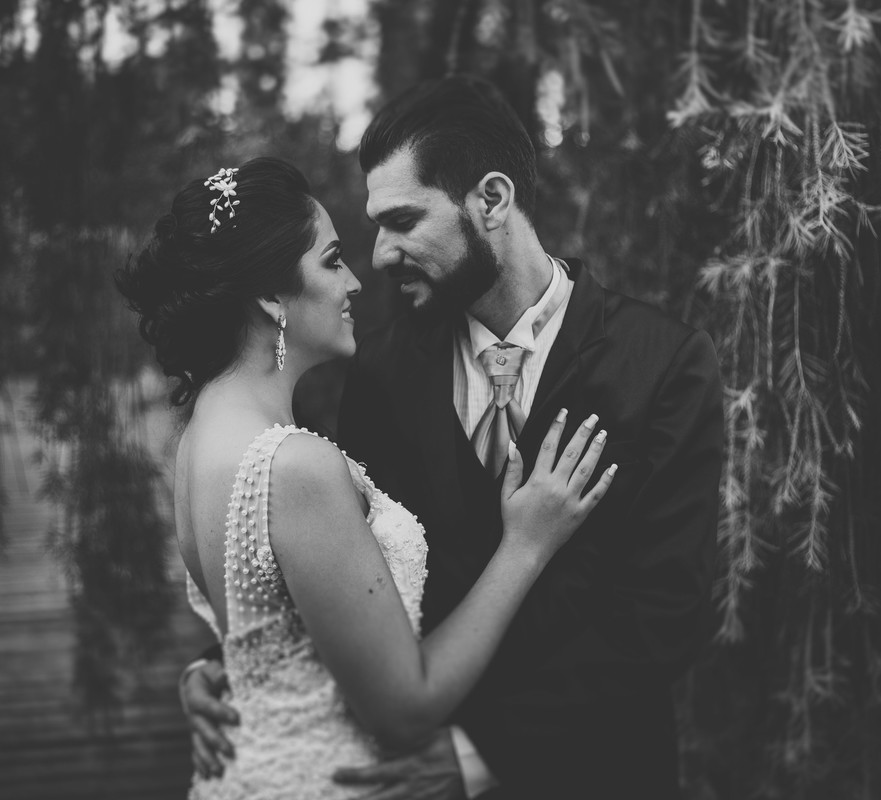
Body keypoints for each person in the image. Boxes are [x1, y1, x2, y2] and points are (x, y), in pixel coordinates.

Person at [181, 77, 725, 799]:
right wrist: (227, 661)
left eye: (404, 220)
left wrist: (480, 754)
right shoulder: (378, 371)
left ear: (491, 201)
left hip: (603, 772)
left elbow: (669, 608)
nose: (379, 255)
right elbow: (343, 570)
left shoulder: (663, 362)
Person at [115, 156, 615, 800]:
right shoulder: (295, 466)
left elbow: (272, 628)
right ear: (270, 294)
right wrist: (526, 545)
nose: (355, 280)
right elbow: (404, 707)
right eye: (330, 260)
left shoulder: (198, 443)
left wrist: (215, 670)